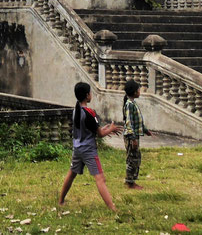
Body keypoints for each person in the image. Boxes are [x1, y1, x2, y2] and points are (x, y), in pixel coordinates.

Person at [57, 81, 122, 211]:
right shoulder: (90, 113)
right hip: (89, 150)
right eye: (91, 93)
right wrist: (111, 128)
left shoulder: (76, 110)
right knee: (100, 178)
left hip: (77, 148)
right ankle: (112, 208)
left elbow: (89, 128)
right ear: (87, 95)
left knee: (72, 174)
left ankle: (61, 201)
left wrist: (104, 129)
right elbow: (101, 134)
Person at [122, 79, 151, 188]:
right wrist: (133, 138)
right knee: (132, 158)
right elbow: (129, 122)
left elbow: (138, 121)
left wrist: (145, 130)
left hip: (134, 135)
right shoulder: (129, 105)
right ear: (134, 92)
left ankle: (132, 179)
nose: (140, 91)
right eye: (139, 90)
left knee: (136, 157)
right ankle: (130, 181)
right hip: (131, 136)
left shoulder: (132, 103)